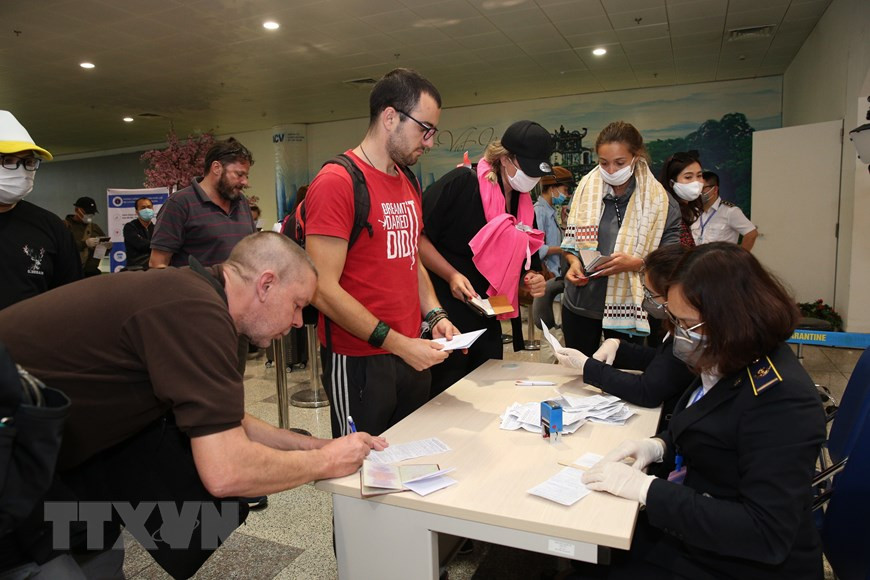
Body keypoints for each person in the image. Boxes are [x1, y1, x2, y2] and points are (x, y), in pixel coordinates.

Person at [0, 232, 387, 579]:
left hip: (48, 451)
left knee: (99, 551)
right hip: (13, 460)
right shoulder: (197, 313)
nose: (299, 321)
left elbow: (221, 415)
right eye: (298, 305)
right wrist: (329, 462)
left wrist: (309, 445)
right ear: (266, 284)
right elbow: (226, 471)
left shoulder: (193, 294)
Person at [579, 242, 826, 579]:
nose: (680, 335)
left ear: (732, 318)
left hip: (738, 562)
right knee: (596, 545)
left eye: (688, 324)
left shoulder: (782, 400)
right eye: (675, 321)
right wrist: (660, 446)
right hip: (699, 526)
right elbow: (708, 423)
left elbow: (764, 534)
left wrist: (646, 490)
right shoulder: (728, 357)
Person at [304, 68, 459, 439]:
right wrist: (399, 344)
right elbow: (322, 288)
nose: (430, 142)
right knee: (359, 471)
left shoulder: (407, 181)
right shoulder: (336, 182)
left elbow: (411, 258)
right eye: (425, 129)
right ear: (390, 117)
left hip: (410, 352)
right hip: (360, 359)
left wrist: (434, 314)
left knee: (409, 460)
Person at [421, 121, 551, 397]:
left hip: (490, 316)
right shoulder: (462, 184)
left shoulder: (523, 205)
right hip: (447, 313)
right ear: (504, 159)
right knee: (446, 398)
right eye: (526, 169)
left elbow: (525, 272)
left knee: (487, 398)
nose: (530, 180)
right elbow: (417, 238)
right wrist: (451, 274)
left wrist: (532, 283)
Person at [560, 121, 681, 356]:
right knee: (577, 375)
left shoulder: (661, 202)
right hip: (581, 304)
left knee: (624, 376)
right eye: (604, 163)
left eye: (620, 163)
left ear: (636, 157)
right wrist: (573, 262)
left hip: (632, 309)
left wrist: (639, 264)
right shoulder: (585, 191)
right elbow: (570, 243)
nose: (612, 171)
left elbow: (672, 258)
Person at [552, 244, 695, 430]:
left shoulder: (691, 332)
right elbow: (663, 360)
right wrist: (618, 345)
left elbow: (647, 391)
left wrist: (588, 366)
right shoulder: (679, 324)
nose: (647, 300)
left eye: (651, 294)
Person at [0, 110, 81, 310]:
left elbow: (71, 298)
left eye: (28, 162)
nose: (21, 171)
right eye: (8, 161)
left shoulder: (50, 226)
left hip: (28, 340)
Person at [149, 137, 255, 269]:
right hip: (197, 289)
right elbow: (157, 263)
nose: (245, 182)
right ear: (216, 168)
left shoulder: (241, 202)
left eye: (246, 176)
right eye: (239, 175)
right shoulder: (179, 204)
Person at [531, 165, 574, 331]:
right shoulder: (539, 212)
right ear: (552, 188)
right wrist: (563, 250)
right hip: (547, 278)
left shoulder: (551, 212)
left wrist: (563, 225)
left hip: (556, 277)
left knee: (558, 330)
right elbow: (538, 249)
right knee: (551, 333)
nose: (566, 194)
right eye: (564, 190)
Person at [692, 170, 758, 249]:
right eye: (697, 188)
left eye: (702, 188)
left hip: (720, 260)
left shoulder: (730, 211)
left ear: (715, 189)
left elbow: (751, 234)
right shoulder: (694, 211)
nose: (699, 192)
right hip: (697, 259)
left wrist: (738, 258)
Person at [659, 151, 704, 248]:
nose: (696, 182)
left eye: (699, 175)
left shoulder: (688, 209)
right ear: (671, 183)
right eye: (688, 177)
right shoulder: (667, 212)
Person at [64, 196, 110, 277]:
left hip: (91, 273)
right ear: (77, 210)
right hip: (71, 273)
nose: (89, 216)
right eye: (87, 213)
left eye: (92, 213)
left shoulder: (95, 227)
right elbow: (64, 247)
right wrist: (84, 244)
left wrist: (106, 247)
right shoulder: (65, 226)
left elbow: (102, 253)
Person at [122, 196, 154, 270]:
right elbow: (141, 245)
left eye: (149, 207)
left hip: (153, 267)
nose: (147, 210)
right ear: (137, 211)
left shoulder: (156, 228)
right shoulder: (130, 227)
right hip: (136, 268)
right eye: (143, 208)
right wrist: (157, 244)